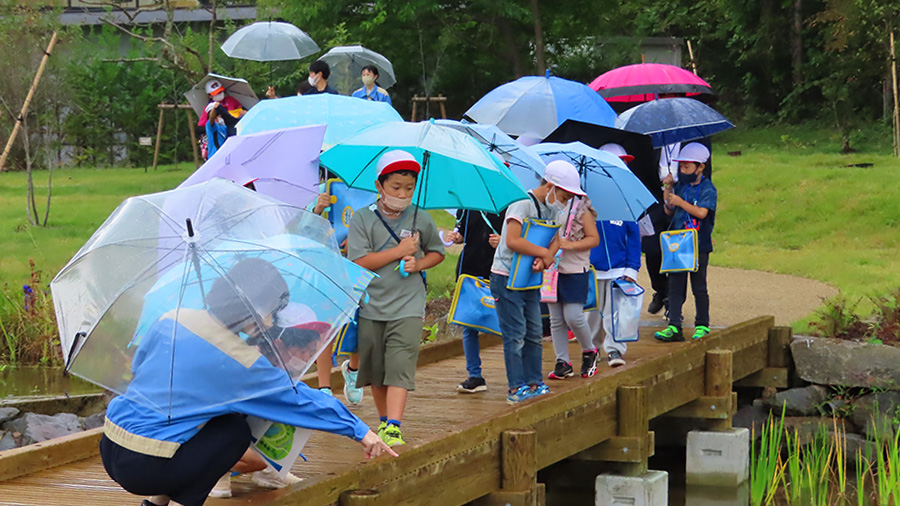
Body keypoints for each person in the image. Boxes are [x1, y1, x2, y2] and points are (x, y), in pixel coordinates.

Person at [100, 258, 395, 506]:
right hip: (146, 466)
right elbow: (298, 399)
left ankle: (154, 504)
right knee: (233, 430)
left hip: (111, 442)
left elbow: (141, 367)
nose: (271, 321)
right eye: (271, 311)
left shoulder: (173, 316)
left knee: (208, 417)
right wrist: (360, 430)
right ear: (254, 309)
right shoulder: (238, 359)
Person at [346, 150, 446, 446]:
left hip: (408, 304)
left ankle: (394, 424)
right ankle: (383, 421)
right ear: (380, 186)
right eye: (396, 188)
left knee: (400, 362)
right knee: (376, 368)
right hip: (372, 303)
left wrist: (419, 263)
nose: (403, 194)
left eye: (409, 188)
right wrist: (400, 251)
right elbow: (360, 261)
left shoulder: (421, 219)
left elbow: (437, 253)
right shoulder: (362, 219)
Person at [489, 160, 581, 404]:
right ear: (550, 186)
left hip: (530, 277)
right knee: (515, 333)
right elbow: (512, 240)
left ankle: (534, 381)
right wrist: (542, 254)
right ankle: (515, 386)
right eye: (564, 195)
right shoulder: (522, 203)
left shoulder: (553, 209)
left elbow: (555, 240)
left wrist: (547, 258)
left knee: (534, 331)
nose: (565, 201)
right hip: (506, 276)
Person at [585, 144, 643, 368]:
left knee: (615, 313)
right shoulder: (589, 199)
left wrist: (632, 268)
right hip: (593, 267)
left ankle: (615, 350)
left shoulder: (628, 200)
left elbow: (634, 238)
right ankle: (591, 348)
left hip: (619, 269)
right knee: (592, 314)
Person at [654, 143, 717, 342]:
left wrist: (681, 202)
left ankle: (702, 325)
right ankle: (674, 325)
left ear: (700, 167)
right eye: (681, 167)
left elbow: (701, 212)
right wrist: (669, 187)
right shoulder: (680, 186)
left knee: (699, 286)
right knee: (675, 285)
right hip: (679, 243)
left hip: (699, 244)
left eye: (687, 167)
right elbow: (668, 210)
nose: (683, 171)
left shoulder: (708, 188)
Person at [444, 209, 505, 393]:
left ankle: (520, 374)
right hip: (469, 271)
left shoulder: (507, 206)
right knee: (468, 325)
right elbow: (463, 233)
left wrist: (503, 242)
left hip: (497, 271)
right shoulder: (466, 206)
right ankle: (475, 375)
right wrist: (456, 236)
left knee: (506, 324)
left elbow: (518, 237)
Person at [545, 186, 599, 381]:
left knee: (574, 316)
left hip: (575, 269)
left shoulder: (581, 209)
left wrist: (571, 245)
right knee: (556, 319)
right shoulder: (549, 205)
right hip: (552, 270)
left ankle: (589, 351)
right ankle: (563, 362)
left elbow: (594, 239)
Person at [198, 79, 244, 159]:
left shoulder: (230, 100)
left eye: (221, 91)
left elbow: (238, 113)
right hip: (216, 156)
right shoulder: (211, 122)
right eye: (217, 93)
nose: (220, 94)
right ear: (210, 95)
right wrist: (216, 109)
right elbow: (208, 123)